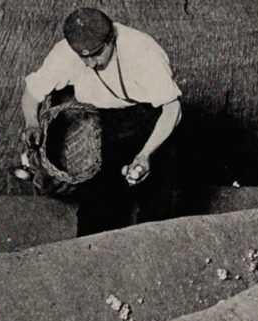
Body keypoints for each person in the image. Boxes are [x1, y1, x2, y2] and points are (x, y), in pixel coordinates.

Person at [20, 7, 182, 235]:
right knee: (97, 205)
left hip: (152, 120)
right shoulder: (65, 52)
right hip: (105, 121)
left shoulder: (143, 51)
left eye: (96, 54)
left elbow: (172, 108)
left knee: (157, 204)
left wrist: (146, 154)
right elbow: (32, 92)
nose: (90, 63)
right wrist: (32, 123)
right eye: (83, 56)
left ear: (111, 40)